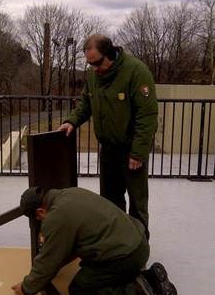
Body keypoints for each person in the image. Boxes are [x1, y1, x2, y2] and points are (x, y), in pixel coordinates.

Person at [12, 186, 177, 295]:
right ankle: (151, 278)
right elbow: (68, 249)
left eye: (38, 219)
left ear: (40, 212)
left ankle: (134, 293)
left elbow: (48, 262)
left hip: (125, 256)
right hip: (139, 243)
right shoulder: (71, 193)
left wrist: (26, 288)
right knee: (98, 269)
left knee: (79, 291)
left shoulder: (56, 218)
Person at [59, 35, 158, 239]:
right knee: (110, 202)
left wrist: (138, 154)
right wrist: (71, 121)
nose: (94, 68)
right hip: (108, 150)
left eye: (97, 63)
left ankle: (137, 249)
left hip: (131, 150)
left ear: (110, 54)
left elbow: (147, 116)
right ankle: (115, 245)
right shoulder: (95, 75)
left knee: (137, 204)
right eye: (89, 64)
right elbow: (86, 104)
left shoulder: (136, 72)